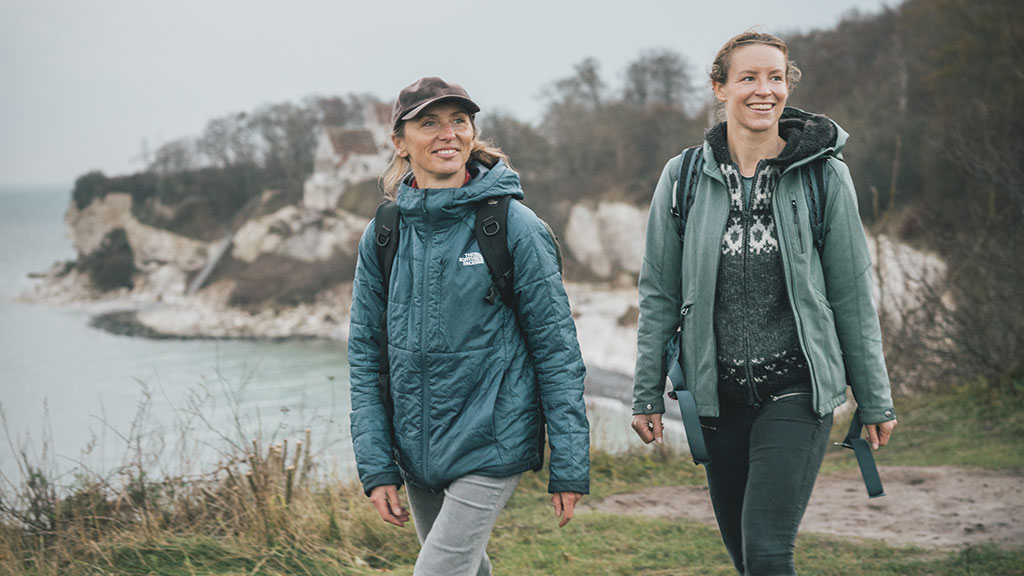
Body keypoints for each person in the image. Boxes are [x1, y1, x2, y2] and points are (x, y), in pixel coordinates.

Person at [630, 32, 897, 575]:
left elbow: (851, 294)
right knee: (747, 559)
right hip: (716, 400)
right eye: (748, 78)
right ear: (719, 88)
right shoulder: (681, 179)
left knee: (769, 551)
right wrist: (645, 394)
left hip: (797, 390)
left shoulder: (824, 176)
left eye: (775, 77)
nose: (764, 90)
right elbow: (659, 293)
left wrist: (875, 398)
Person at [348, 77, 590, 576]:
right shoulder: (384, 233)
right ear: (399, 141)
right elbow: (365, 356)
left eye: (459, 120)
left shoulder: (514, 226)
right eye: (429, 122)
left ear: (473, 131)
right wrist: (377, 466)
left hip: (492, 438)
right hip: (414, 448)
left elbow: (556, 350)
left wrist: (569, 462)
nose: (448, 134)